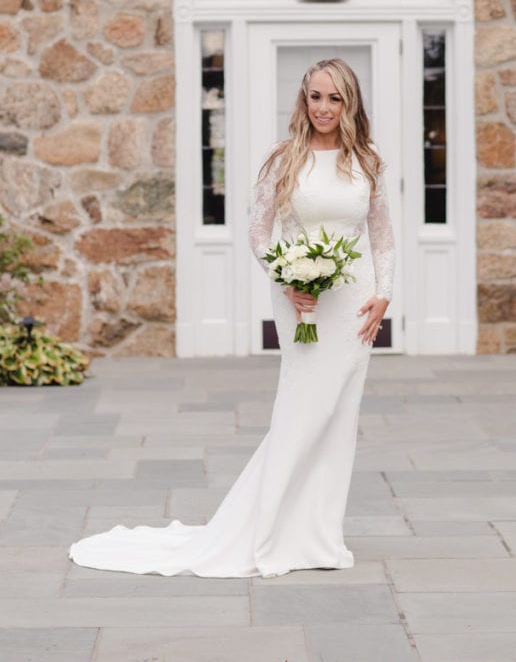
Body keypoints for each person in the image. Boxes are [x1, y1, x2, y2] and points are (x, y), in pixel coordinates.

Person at [68, 58, 394, 578]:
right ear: (303, 100)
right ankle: (264, 532)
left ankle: (317, 536)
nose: (324, 108)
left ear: (350, 102)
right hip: (300, 302)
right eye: (315, 97)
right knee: (302, 410)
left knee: (338, 416)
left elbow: (381, 234)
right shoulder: (283, 159)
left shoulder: (368, 162)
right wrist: (287, 280)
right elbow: (258, 231)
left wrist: (384, 294)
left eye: (334, 98)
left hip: (353, 303)